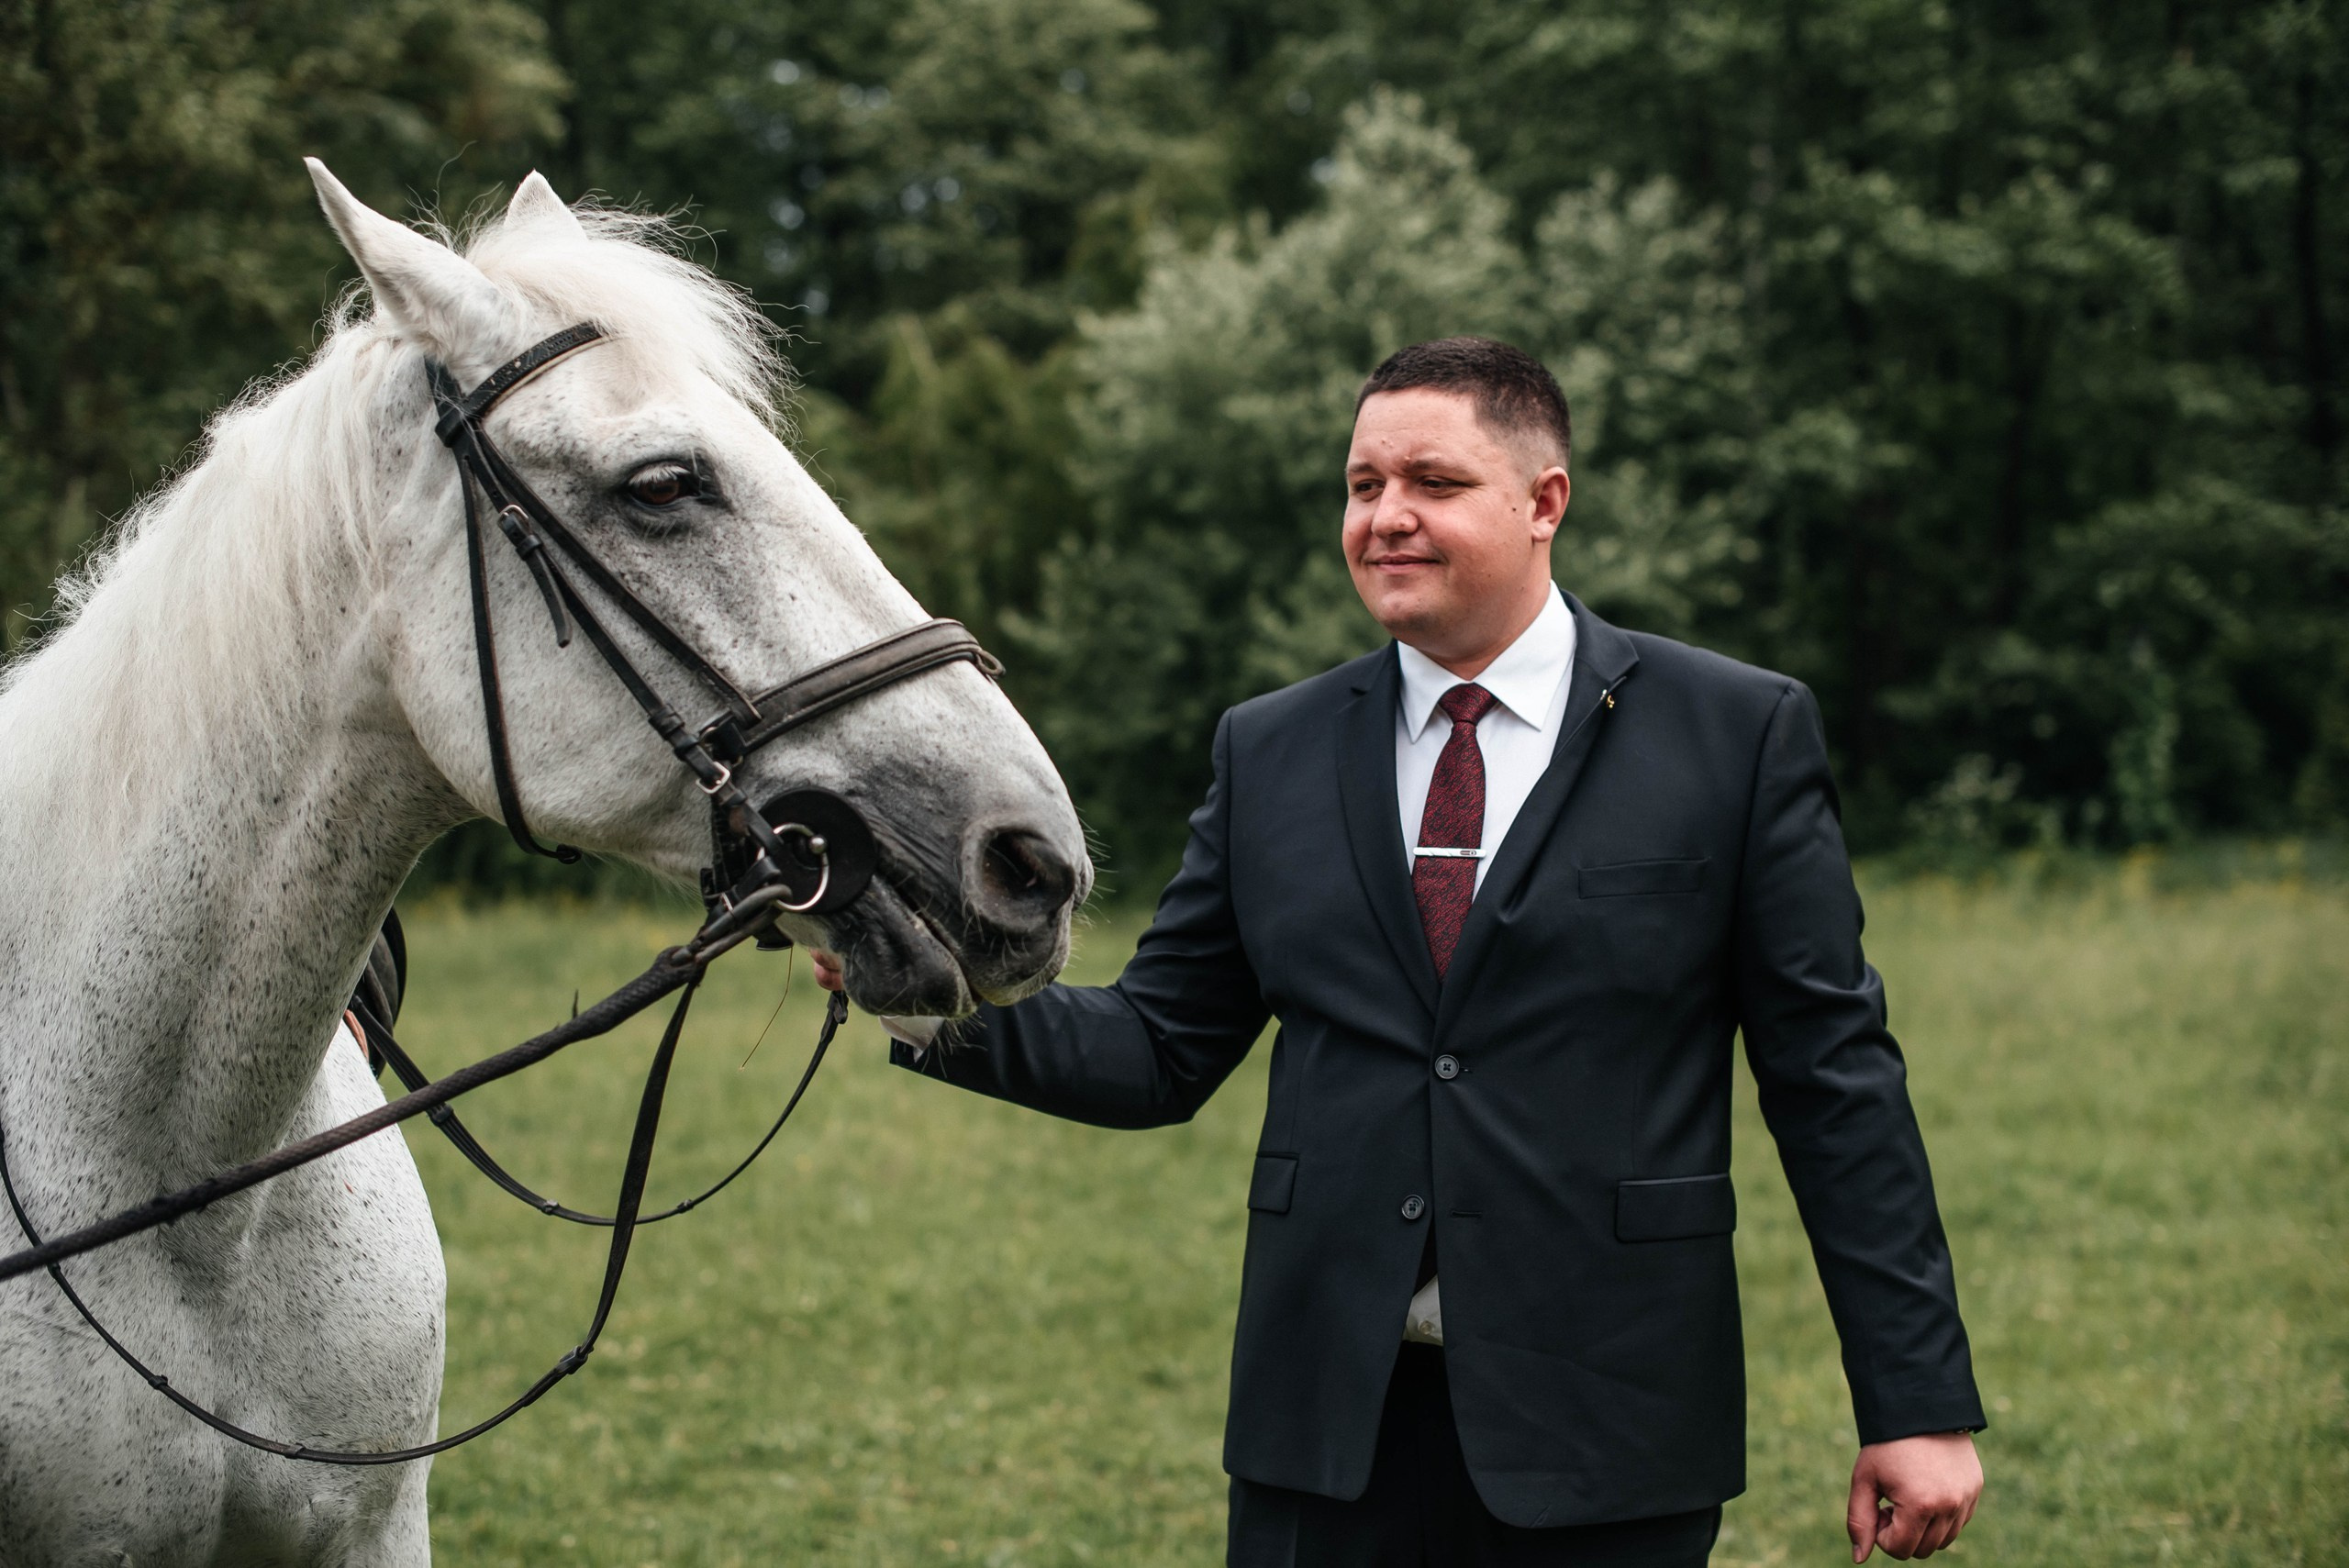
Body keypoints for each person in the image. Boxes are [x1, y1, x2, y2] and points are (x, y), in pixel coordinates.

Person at [813, 337, 1985, 1566]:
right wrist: (916, 987)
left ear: (1545, 503)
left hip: (1609, 1424)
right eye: (1364, 484)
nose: (1387, 517)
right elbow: (1160, 1047)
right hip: (1325, 1429)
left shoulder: (1735, 734)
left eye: (1432, 481)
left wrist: (1914, 1400)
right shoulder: (1270, 749)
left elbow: (1833, 1076)